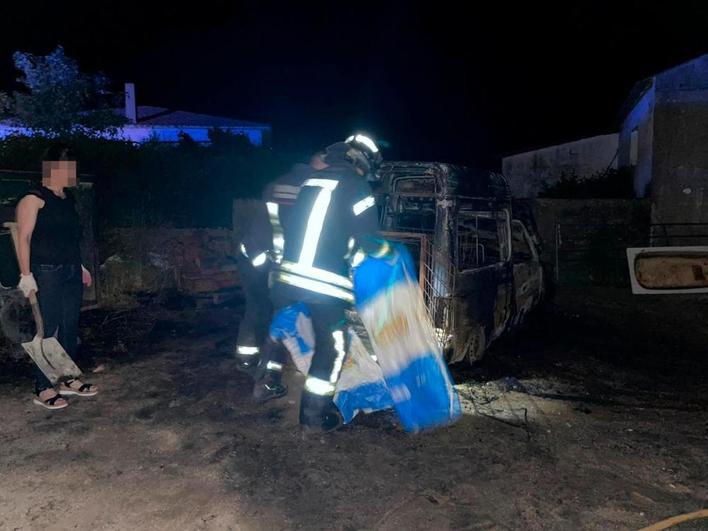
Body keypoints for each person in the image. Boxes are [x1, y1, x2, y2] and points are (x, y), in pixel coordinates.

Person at [255, 134, 389, 431]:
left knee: (284, 325)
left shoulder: (311, 182)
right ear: (363, 163)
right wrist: (390, 256)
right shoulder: (357, 187)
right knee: (334, 345)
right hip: (324, 284)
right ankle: (314, 415)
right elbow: (370, 241)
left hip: (288, 279)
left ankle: (266, 380)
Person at [233, 152, 327, 385]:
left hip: (251, 254)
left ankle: (247, 358)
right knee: (277, 311)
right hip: (269, 258)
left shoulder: (277, 183)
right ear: (319, 167)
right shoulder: (308, 188)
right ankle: (270, 372)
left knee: (255, 306)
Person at [15, 144, 98, 410]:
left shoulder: (67, 198)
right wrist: (26, 275)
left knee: (69, 325)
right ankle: (42, 386)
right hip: (46, 270)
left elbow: (70, 236)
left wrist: (81, 265)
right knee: (47, 328)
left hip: (71, 267)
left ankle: (67, 379)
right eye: (66, 168)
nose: (71, 174)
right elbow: (23, 238)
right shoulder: (34, 198)